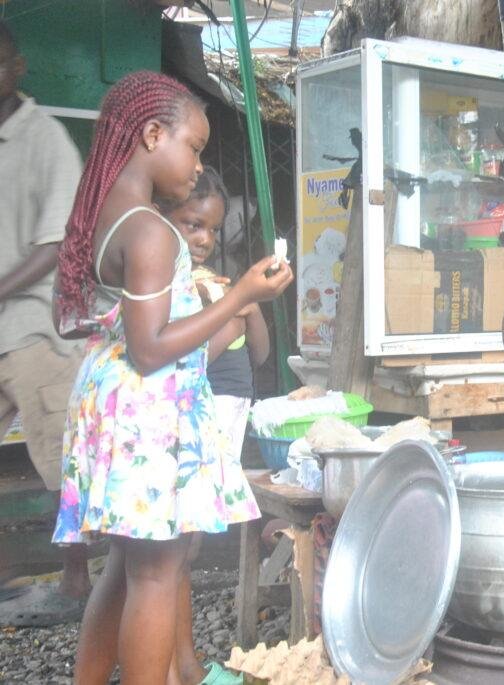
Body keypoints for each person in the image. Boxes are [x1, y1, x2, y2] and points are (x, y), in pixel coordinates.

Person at [50, 71, 293, 684]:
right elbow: (152, 347)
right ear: (153, 134)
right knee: (158, 575)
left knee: (125, 567)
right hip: (143, 409)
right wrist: (239, 294)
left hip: (111, 398)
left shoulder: (114, 210)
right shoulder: (152, 230)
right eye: (195, 147)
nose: (197, 163)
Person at [159, 167, 269, 685]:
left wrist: (247, 308)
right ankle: (179, 667)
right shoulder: (168, 281)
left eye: (209, 230)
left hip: (208, 413)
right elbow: (188, 359)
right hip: (179, 420)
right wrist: (231, 314)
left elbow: (262, 354)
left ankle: (183, 665)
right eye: (191, 225)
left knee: (180, 549)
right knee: (172, 552)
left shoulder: (206, 281)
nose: (203, 240)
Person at [0, 19, 92, 625]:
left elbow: (55, 244)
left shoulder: (45, 139)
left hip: (31, 328)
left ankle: (77, 579)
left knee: (65, 459)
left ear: (17, 66)